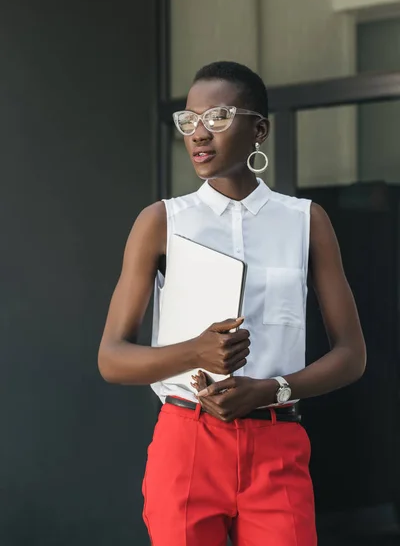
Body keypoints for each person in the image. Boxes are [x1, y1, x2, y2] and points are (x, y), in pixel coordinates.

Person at [98, 61, 366, 546]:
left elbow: (352, 355)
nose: (199, 133)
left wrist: (272, 389)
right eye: (189, 121)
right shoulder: (162, 222)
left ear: (258, 128)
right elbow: (112, 358)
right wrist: (194, 353)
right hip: (186, 440)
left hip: (277, 445)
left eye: (218, 117)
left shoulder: (306, 221)